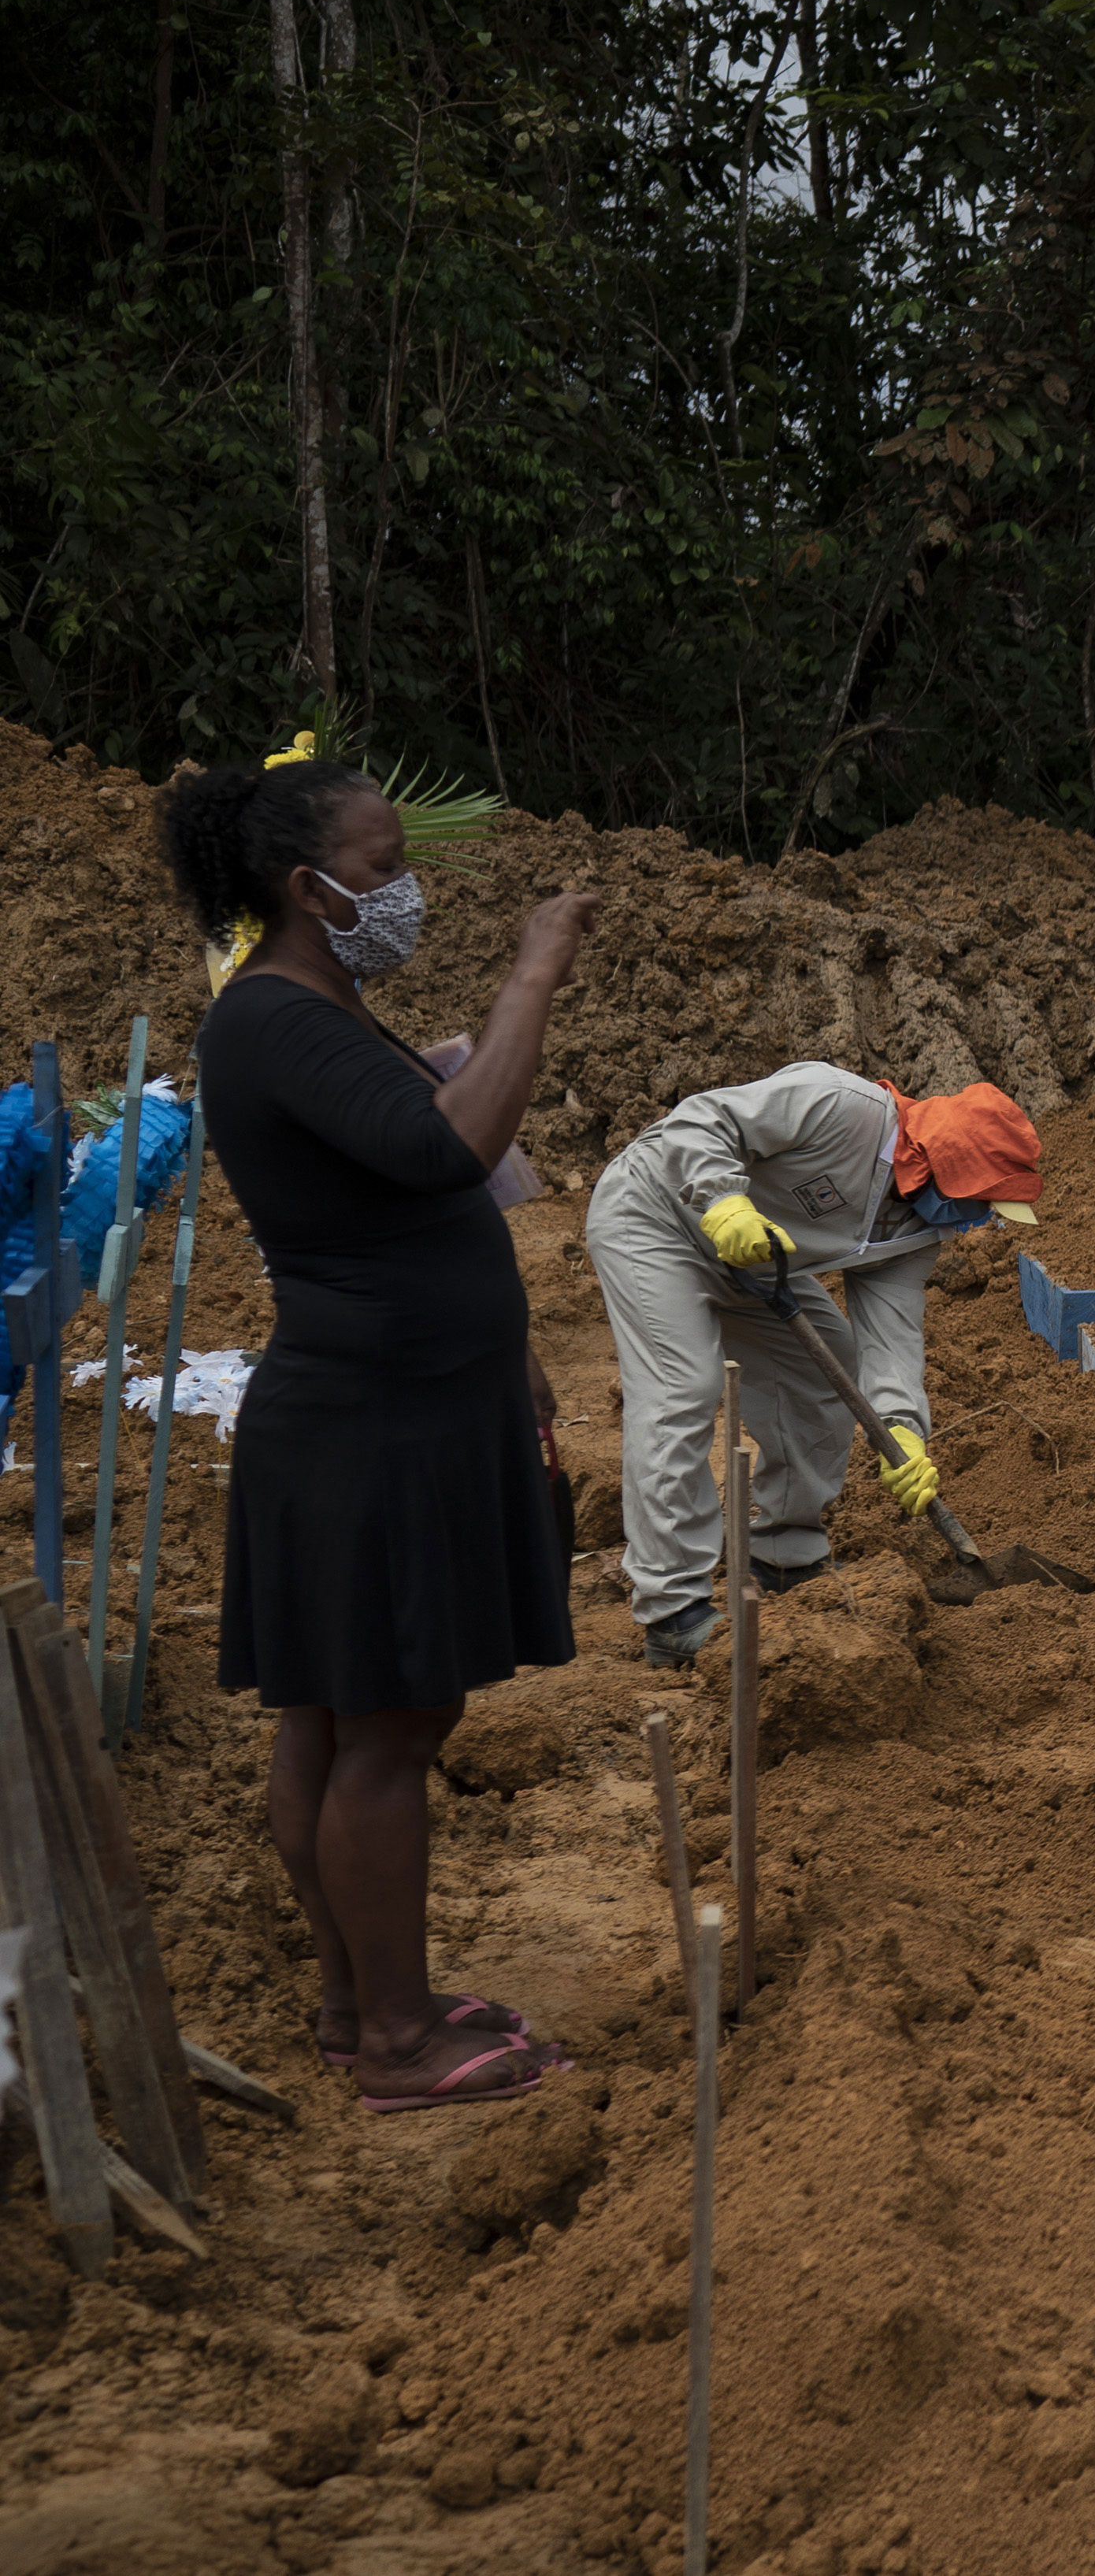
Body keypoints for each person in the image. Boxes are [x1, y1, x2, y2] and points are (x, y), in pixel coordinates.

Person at [161, 734, 598, 2111]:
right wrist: (533, 972)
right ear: (308, 883)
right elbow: (447, 1147)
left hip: (396, 1403)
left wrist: (511, 1354)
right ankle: (405, 2041)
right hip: (375, 1422)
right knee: (390, 1728)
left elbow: (410, 1202)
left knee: (335, 1722)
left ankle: (362, 2003)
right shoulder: (274, 1019)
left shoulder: (311, 1007)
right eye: (384, 866)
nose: (406, 887)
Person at [587, 1065, 1045, 1661]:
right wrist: (725, 1202)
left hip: (754, 1258)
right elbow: (703, 1118)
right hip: (657, 1214)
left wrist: (904, 1429)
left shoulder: (917, 1233)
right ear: (949, 1167)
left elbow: (891, 1339)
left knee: (824, 1371)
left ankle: (785, 1551)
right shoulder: (838, 1105)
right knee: (684, 1389)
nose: (979, 1221)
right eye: (982, 1202)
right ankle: (673, 1608)